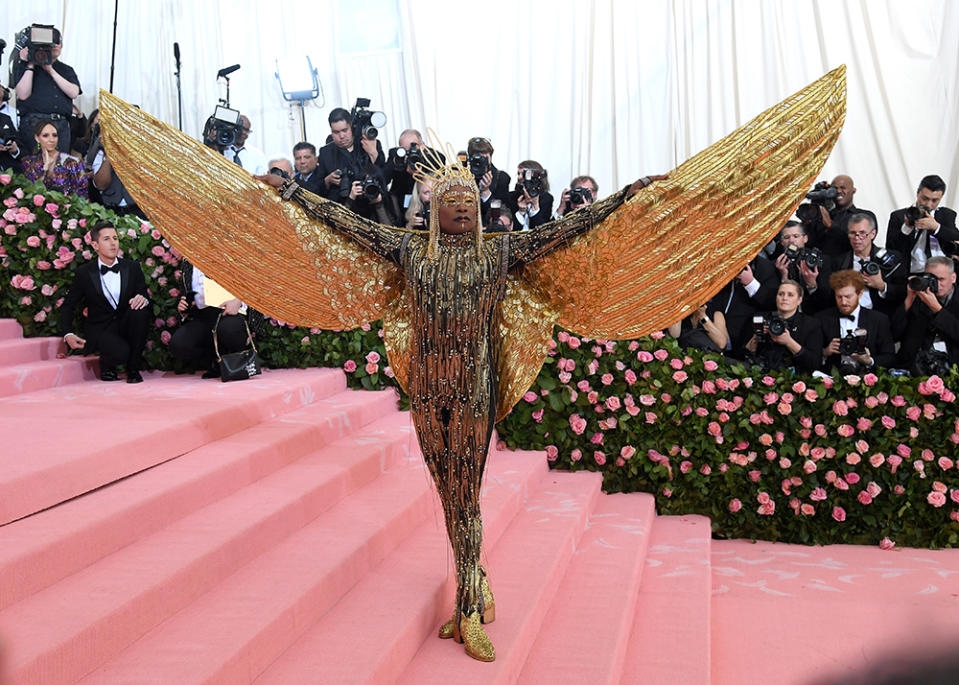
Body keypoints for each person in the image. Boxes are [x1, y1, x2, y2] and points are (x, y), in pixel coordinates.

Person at [257, 155, 667, 662]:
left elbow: (567, 230)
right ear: (433, 207)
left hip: (474, 386)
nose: (462, 207)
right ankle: (478, 579)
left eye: (469, 200)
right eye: (451, 199)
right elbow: (347, 223)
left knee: (466, 493)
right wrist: (292, 192)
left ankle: (468, 607)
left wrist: (629, 193)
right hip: (427, 387)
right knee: (449, 491)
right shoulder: (409, 250)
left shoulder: (498, 253)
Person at [59, 220, 151, 382]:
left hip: (127, 324)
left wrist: (142, 298)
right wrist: (68, 333)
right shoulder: (84, 273)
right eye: (107, 239)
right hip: (101, 328)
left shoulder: (132, 267)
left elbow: (143, 293)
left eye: (115, 238)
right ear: (95, 245)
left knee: (141, 310)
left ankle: (133, 369)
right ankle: (107, 364)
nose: (113, 243)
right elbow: (68, 306)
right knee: (120, 352)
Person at [170, 259, 251, 379]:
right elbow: (185, 293)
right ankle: (215, 362)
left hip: (231, 312)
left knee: (228, 329)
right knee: (179, 344)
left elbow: (253, 283)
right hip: (203, 316)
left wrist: (238, 301)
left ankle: (240, 361)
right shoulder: (189, 260)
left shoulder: (234, 250)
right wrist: (183, 305)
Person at [13, 27, 81, 153]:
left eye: (58, 42)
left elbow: (74, 92)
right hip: (33, 124)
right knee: (33, 165)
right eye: (51, 43)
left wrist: (50, 70)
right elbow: (22, 94)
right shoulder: (23, 66)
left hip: (60, 125)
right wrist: (31, 63)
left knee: (60, 166)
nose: (55, 45)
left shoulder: (66, 70)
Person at [817, 270, 896, 374]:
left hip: (867, 380)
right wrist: (825, 352)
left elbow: (890, 357)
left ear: (860, 294)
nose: (844, 302)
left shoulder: (878, 319)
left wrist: (869, 360)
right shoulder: (822, 318)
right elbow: (810, 356)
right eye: (839, 297)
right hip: (831, 378)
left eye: (848, 297)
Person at [893, 256, 959, 375]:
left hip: (952, 367)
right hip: (914, 367)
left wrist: (937, 309)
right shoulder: (918, 297)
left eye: (941, 279)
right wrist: (909, 299)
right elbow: (894, 334)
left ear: (953, 278)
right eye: (931, 279)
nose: (937, 284)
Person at [831, 214, 905, 316]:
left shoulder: (892, 258)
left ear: (873, 234)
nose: (857, 238)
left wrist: (882, 286)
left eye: (862, 233)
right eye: (853, 233)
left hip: (881, 317)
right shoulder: (838, 262)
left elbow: (903, 291)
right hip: (848, 316)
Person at [745, 280, 823, 373]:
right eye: (781, 294)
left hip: (795, 378)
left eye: (790, 295)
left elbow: (814, 363)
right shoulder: (760, 318)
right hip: (761, 373)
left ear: (799, 300)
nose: (784, 298)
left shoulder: (811, 324)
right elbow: (744, 355)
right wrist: (756, 336)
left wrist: (789, 342)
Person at [885, 175, 958, 274]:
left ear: (941, 198)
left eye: (934, 200)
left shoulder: (946, 215)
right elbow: (891, 248)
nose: (928, 204)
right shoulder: (899, 216)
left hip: (941, 273)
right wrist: (907, 227)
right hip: (911, 273)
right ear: (918, 193)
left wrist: (936, 227)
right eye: (925, 198)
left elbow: (955, 236)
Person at [803, 174, 877, 258]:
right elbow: (809, 244)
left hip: (849, 268)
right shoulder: (823, 216)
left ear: (853, 190)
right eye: (834, 189)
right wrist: (807, 222)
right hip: (823, 268)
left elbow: (860, 244)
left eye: (843, 188)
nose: (838, 191)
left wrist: (831, 226)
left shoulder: (864, 217)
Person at [774, 221, 831, 311]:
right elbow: (771, 300)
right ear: (781, 242)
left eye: (796, 236)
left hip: (813, 314)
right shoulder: (776, 264)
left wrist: (812, 284)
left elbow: (827, 299)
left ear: (805, 238)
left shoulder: (821, 260)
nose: (791, 241)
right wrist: (784, 278)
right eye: (786, 237)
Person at [22, 119, 88, 198]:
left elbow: (83, 191)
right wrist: (45, 169)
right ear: (37, 138)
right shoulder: (29, 162)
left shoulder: (71, 162)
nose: (51, 140)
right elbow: (30, 193)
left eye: (54, 135)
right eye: (45, 135)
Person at [467, 136, 510, 222]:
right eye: (478, 157)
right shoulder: (462, 176)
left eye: (484, 157)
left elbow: (501, 214)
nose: (481, 161)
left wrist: (486, 192)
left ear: (490, 157)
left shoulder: (501, 178)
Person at [508, 160, 554, 230]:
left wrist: (535, 208)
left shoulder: (546, 199)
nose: (519, 177)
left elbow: (542, 232)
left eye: (523, 174)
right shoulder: (511, 197)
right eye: (518, 174)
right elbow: (509, 230)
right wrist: (521, 212)